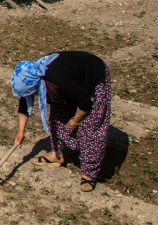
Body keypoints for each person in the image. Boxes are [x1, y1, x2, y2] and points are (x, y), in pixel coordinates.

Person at [12, 51, 111, 193]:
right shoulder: (30, 76)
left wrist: (75, 121)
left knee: (91, 127)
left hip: (93, 76)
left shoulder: (58, 82)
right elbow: (24, 103)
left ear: (36, 85)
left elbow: (85, 103)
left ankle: (89, 172)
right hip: (70, 78)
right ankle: (57, 155)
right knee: (58, 117)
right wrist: (21, 131)